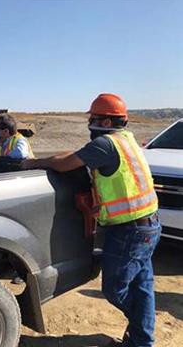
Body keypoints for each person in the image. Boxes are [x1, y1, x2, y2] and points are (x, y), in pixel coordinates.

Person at [21, 93, 161, 347]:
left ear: (106, 122)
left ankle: (141, 328)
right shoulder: (125, 140)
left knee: (114, 289)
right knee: (143, 287)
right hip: (149, 224)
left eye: (93, 119)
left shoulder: (105, 145)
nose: (90, 124)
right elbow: (77, 155)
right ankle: (142, 341)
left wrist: (34, 162)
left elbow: (65, 164)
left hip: (131, 230)